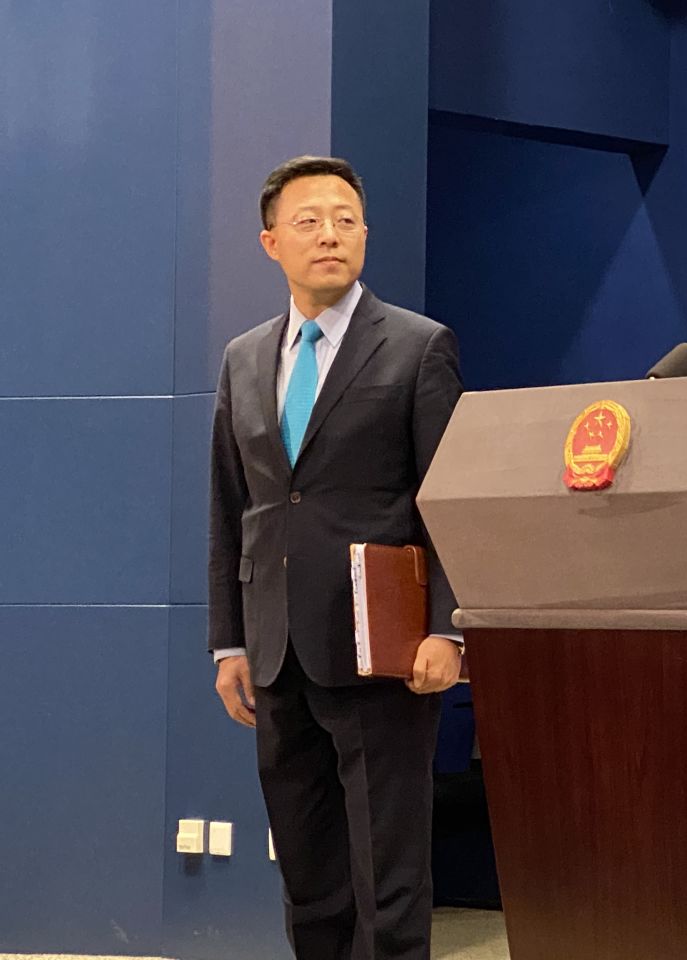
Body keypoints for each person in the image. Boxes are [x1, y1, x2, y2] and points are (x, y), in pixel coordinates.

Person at [207, 155, 464, 960]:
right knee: (310, 876)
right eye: (310, 221)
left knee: (388, 874)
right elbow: (233, 509)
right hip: (277, 652)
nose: (330, 235)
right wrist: (229, 642)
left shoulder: (419, 347)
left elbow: (447, 498)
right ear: (270, 241)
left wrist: (448, 629)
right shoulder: (244, 358)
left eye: (346, 220)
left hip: (380, 652)